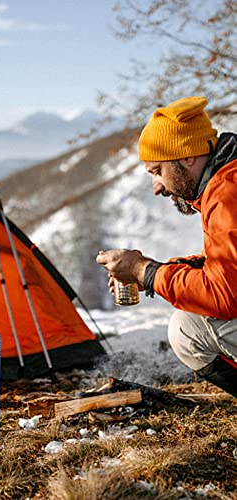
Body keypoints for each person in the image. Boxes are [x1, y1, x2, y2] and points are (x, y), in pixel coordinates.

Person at [96, 96, 237, 397]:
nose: (157, 187)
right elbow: (227, 264)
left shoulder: (226, 194)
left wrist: (143, 271)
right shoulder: (228, 180)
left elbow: (224, 296)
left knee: (188, 331)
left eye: (157, 171)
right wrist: (157, 270)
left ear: (188, 157)